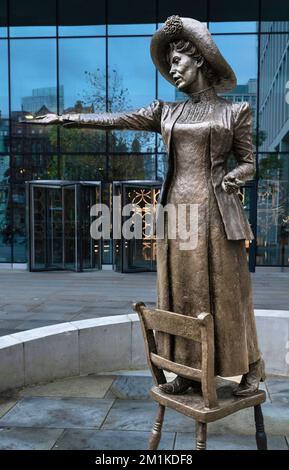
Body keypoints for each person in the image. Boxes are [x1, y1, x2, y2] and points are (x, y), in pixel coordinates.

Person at [27, 16, 265, 396]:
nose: (172, 71)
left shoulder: (234, 112)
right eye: (169, 63)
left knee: (229, 292)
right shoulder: (165, 112)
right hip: (177, 215)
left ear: (199, 60)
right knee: (182, 293)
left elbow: (250, 162)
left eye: (177, 62)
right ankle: (188, 371)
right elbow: (116, 118)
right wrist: (67, 119)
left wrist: (235, 176)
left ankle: (252, 369)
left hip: (218, 216)